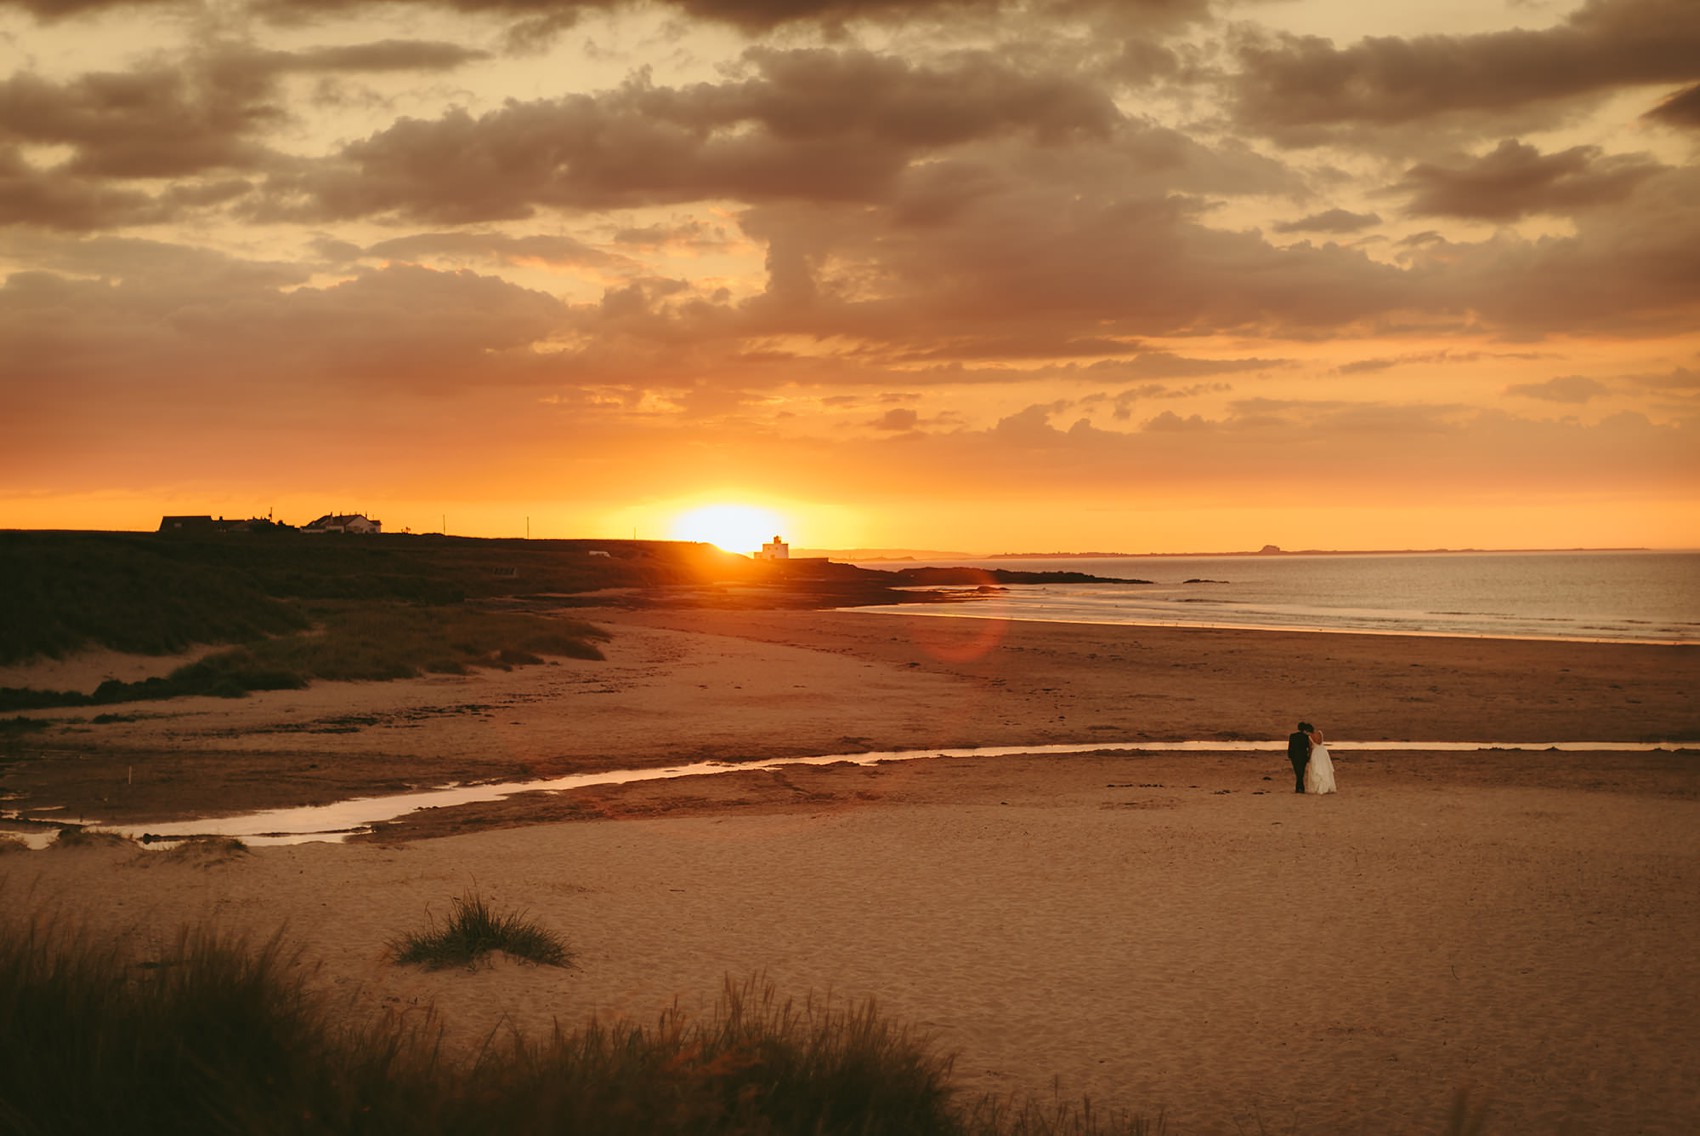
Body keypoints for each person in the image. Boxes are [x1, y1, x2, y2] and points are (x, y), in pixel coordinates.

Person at [1303, 724, 1337, 795]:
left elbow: (1310, 747)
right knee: (1325, 767)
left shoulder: (1310, 737)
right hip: (1323, 751)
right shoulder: (1320, 733)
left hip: (1316, 752)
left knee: (1316, 768)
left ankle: (1318, 787)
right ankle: (1327, 786)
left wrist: (1309, 756)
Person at [1286, 721, 1313, 793]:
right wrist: (1308, 756)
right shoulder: (1306, 737)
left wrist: (1289, 754)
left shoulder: (1292, 736)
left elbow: (1290, 746)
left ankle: (1299, 787)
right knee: (1301, 771)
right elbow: (1308, 747)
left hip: (1294, 755)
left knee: (1297, 771)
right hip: (1303, 756)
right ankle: (1300, 787)